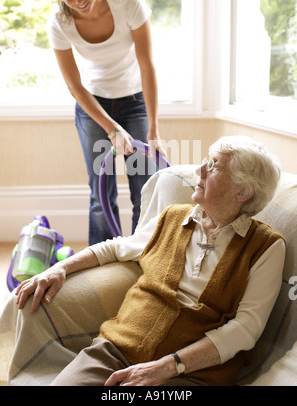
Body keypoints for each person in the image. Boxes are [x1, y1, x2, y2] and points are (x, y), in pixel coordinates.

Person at [15, 136, 285, 386]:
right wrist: (59, 268)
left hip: (191, 373)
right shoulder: (173, 217)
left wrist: (170, 365)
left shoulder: (265, 247)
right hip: (114, 350)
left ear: (242, 193)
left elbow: (246, 328)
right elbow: (117, 248)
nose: (199, 170)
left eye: (214, 166)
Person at [46, 0, 164, 245]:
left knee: (146, 186)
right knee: (101, 192)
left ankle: (142, 257)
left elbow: (148, 66)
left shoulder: (129, 5)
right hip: (93, 106)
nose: (78, 1)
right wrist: (111, 127)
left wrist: (154, 131)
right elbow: (74, 85)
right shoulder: (60, 23)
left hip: (135, 102)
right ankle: (101, 266)